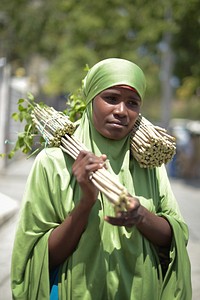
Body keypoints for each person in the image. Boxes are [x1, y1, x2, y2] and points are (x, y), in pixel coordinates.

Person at [11, 58, 192, 300]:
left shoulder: (148, 163)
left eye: (132, 103)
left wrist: (141, 216)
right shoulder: (53, 161)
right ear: (91, 99)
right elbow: (42, 257)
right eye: (111, 98)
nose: (121, 111)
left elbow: (175, 238)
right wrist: (86, 202)